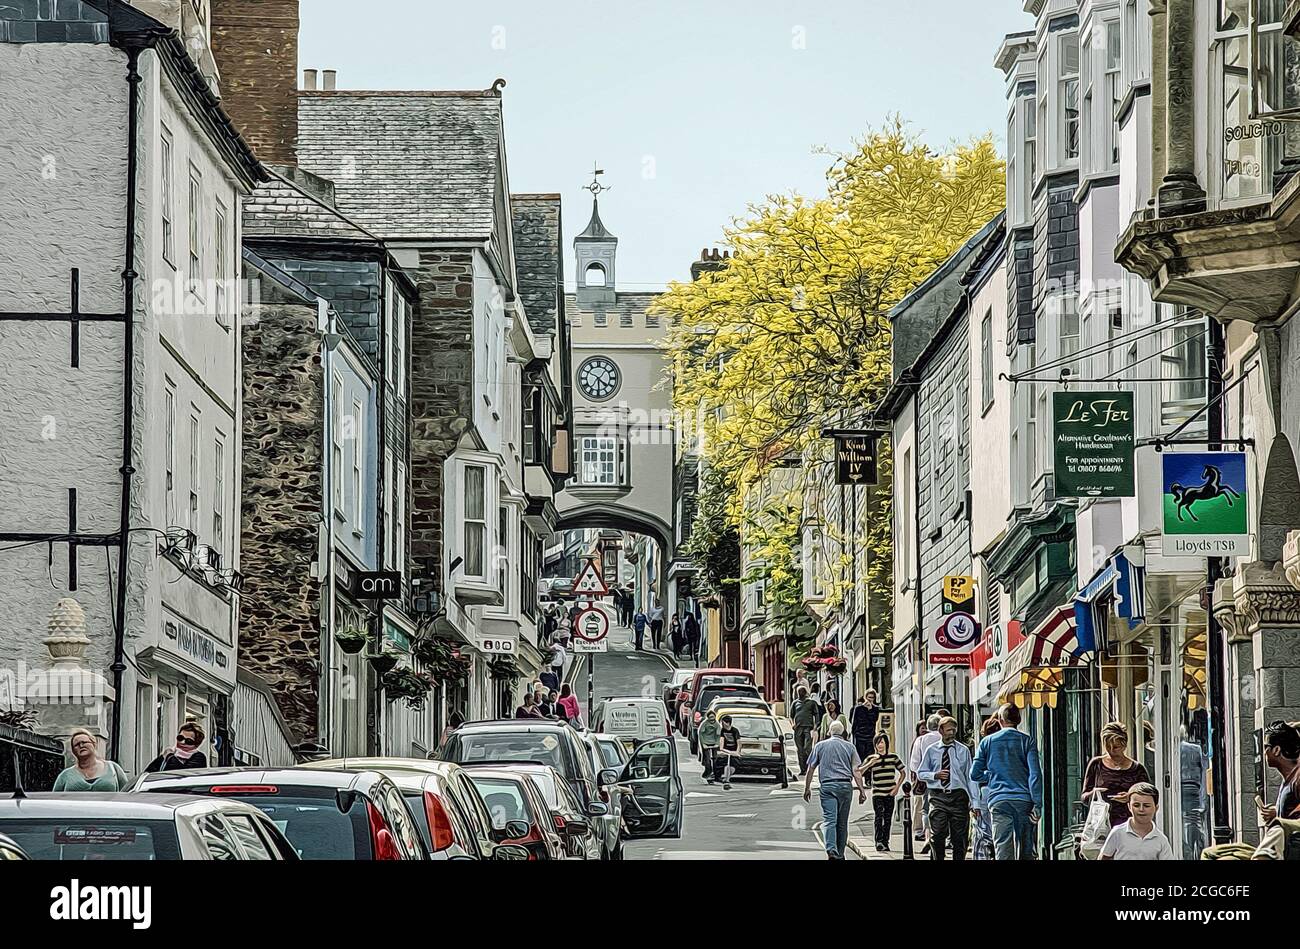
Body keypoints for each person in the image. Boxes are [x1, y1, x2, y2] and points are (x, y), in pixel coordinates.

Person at [971, 702, 1043, 861]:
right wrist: (1037, 804)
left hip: (998, 800)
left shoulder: (987, 742)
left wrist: (990, 776)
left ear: (1000, 720)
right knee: (1026, 847)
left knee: (1002, 847)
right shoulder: (1027, 741)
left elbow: (974, 774)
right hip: (1024, 800)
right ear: (1018, 720)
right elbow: (1035, 774)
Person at [917, 716, 979, 861]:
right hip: (938, 796)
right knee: (937, 834)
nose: (951, 733)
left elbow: (970, 778)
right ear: (940, 730)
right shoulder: (931, 750)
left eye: (954, 730)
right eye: (948, 730)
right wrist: (935, 775)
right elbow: (920, 773)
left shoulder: (963, 750)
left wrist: (975, 802)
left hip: (958, 797)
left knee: (960, 838)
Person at [803, 720, 868, 859]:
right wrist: (862, 790)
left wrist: (807, 787)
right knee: (842, 822)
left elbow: (811, 768)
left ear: (829, 731)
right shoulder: (850, 747)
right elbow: (856, 770)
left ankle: (831, 849)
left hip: (827, 786)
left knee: (830, 819)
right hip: (845, 786)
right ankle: (840, 852)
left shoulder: (820, 746)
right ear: (843, 732)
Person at [1082, 721, 1150, 829]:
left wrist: (1130, 797)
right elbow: (1084, 797)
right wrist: (1095, 794)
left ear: (1124, 745)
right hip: (1101, 825)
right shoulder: (1096, 764)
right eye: (1107, 746)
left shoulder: (1138, 769)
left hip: (1130, 825)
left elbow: (1149, 798)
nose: (1111, 750)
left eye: (1116, 747)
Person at [1099, 782, 1175, 860]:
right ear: (1129, 807)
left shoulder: (1161, 839)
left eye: (1146, 805)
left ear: (1156, 808)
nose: (1141, 809)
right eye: (1136, 805)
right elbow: (1104, 857)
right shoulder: (1118, 833)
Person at [858, 732, 904, 852]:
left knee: (888, 818)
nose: (880, 746)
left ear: (886, 744)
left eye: (882, 742)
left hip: (890, 792)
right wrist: (869, 764)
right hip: (878, 793)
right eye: (878, 743)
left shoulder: (893, 757)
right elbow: (859, 772)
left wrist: (897, 787)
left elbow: (903, 772)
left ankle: (885, 841)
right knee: (879, 817)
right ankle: (878, 841)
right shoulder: (871, 758)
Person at [53, 729, 129, 791]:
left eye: (84, 742)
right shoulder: (65, 775)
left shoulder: (113, 768)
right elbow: (54, 801)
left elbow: (127, 794)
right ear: (73, 751)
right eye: (77, 744)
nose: (81, 746)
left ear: (94, 744)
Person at [970, 718, 1001, 860]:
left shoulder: (985, 745)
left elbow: (974, 775)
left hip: (986, 792)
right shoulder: (1013, 743)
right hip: (1008, 793)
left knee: (984, 832)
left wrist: (988, 775)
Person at [909, 717, 942, 845]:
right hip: (946, 780)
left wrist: (921, 776)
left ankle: (928, 835)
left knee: (926, 809)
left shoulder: (921, 740)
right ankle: (940, 836)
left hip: (928, 780)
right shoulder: (945, 738)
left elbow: (914, 764)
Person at [1259, 720, 1300, 824]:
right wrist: (1276, 811)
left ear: (1276, 750)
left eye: (1265, 747)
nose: (1264, 753)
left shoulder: (1297, 779)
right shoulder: (1290, 777)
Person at [1179, 727, 1208, 860]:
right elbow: (1203, 771)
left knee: (1180, 821)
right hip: (1194, 789)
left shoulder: (1170, 750)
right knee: (1193, 821)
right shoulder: (1195, 749)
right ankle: (1195, 849)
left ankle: (1186, 850)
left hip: (1179, 787)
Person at [789, 687, 820, 776]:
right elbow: (791, 716)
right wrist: (792, 724)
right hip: (798, 728)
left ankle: (808, 766)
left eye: (802, 691)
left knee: (807, 748)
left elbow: (817, 715)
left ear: (805, 692)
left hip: (808, 728)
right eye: (799, 692)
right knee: (800, 750)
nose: (800, 693)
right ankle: (802, 769)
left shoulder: (811, 703)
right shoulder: (795, 703)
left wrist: (815, 726)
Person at [849, 690, 881, 759]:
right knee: (860, 756)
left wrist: (870, 710)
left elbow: (874, 721)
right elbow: (854, 721)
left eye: (872, 698)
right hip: (860, 736)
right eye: (869, 697)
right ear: (865, 697)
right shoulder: (858, 708)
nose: (870, 699)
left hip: (870, 736)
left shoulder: (875, 709)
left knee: (869, 756)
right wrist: (854, 733)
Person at [714, 714, 742, 789]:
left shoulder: (735, 731)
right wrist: (723, 749)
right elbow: (721, 742)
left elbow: (739, 743)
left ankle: (727, 778)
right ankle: (723, 778)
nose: (722, 724)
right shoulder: (722, 731)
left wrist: (737, 752)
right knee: (722, 762)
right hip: (725, 751)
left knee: (733, 764)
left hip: (734, 751)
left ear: (728, 723)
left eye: (723, 723)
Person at [697, 709, 721, 782]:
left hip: (714, 743)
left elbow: (718, 735)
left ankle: (716, 775)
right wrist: (703, 744)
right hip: (705, 742)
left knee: (716, 760)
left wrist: (717, 743)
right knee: (707, 760)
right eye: (710, 717)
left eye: (713, 717)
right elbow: (701, 733)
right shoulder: (704, 723)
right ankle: (708, 772)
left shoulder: (717, 724)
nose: (712, 719)